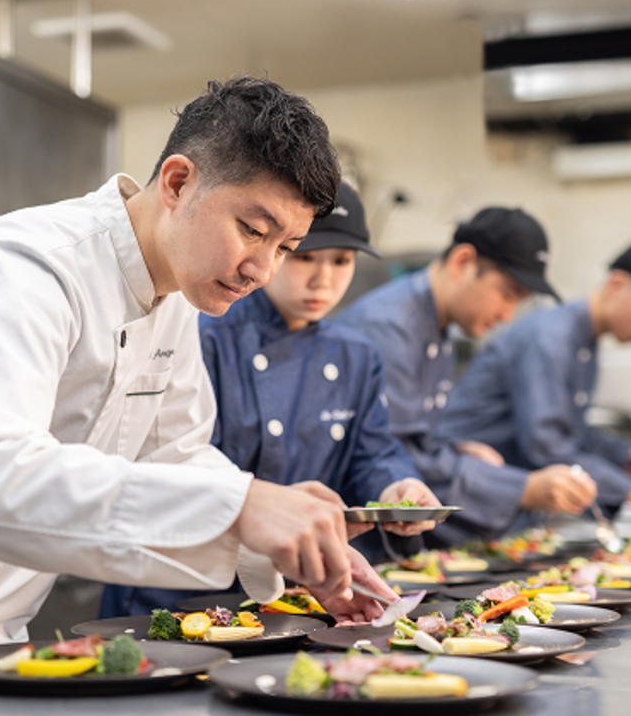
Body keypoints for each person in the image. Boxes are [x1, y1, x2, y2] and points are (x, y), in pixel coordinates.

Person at [0, 77, 399, 701]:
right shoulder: (28, 266)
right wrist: (240, 505)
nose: (263, 267)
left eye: (287, 246)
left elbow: (175, 457)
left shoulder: (177, 300)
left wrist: (284, 541)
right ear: (176, 182)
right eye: (253, 230)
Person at [98, 182, 441, 618]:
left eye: (341, 261)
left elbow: (372, 452)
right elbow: (175, 459)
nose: (324, 279)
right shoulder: (206, 332)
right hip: (182, 585)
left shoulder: (356, 355)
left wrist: (397, 487)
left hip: (291, 586)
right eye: (305, 258)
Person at [336, 207, 599, 545]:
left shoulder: (439, 327)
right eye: (507, 294)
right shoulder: (390, 327)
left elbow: (413, 438)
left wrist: (457, 449)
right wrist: (523, 489)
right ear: (462, 262)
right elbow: (393, 453)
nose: (507, 316)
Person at [435, 241, 631, 525]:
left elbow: (571, 435)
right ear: (617, 284)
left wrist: (627, 453)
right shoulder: (552, 338)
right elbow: (547, 446)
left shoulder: (585, 343)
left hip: (502, 506)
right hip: (461, 499)